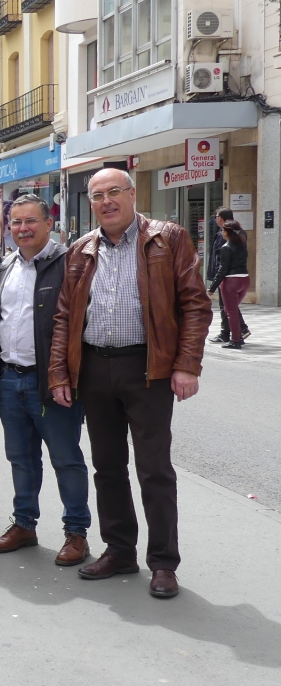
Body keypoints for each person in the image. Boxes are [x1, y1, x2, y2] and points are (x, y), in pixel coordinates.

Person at [50, 168, 212, 599]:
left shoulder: (167, 239)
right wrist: (59, 372)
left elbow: (195, 304)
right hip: (95, 369)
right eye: (97, 195)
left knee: (154, 470)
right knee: (107, 467)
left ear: (132, 194)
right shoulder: (81, 249)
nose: (106, 201)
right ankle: (120, 550)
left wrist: (187, 365)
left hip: (148, 369)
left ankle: (163, 563)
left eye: (114, 192)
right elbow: (65, 315)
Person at [0, 195, 90, 566]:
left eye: (30, 221)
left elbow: (78, 323)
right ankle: (24, 525)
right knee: (20, 459)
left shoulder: (68, 263)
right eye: (15, 222)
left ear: (49, 224)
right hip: (10, 379)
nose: (23, 229)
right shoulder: (5, 265)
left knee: (66, 459)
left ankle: (76, 533)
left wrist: (66, 375)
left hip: (52, 382)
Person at [208, 208, 249, 343]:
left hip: (228, 277)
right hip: (239, 277)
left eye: (216, 217)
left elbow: (222, 262)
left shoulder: (226, 236)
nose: (215, 219)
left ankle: (231, 334)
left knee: (227, 307)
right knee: (230, 307)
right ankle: (239, 331)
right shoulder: (238, 233)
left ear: (220, 218)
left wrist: (214, 283)